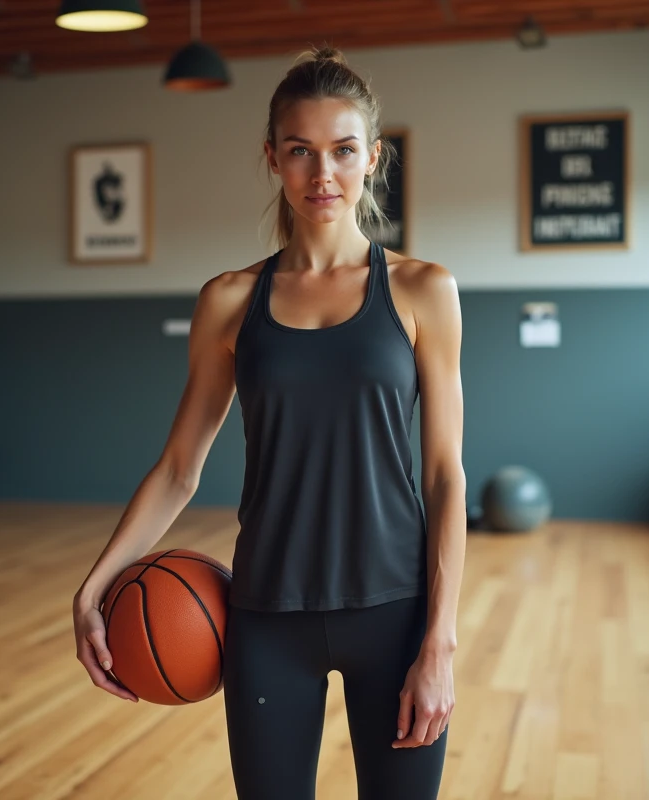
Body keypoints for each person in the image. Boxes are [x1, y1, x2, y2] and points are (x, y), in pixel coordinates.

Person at [72, 46, 467, 800]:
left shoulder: (423, 291)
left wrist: (440, 640)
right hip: (266, 616)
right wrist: (94, 587)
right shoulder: (227, 301)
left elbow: (445, 476)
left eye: (344, 151)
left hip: (395, 611)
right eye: (301, 152)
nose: (324, 175)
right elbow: (179, 468)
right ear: (273, 159)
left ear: (373, 158)